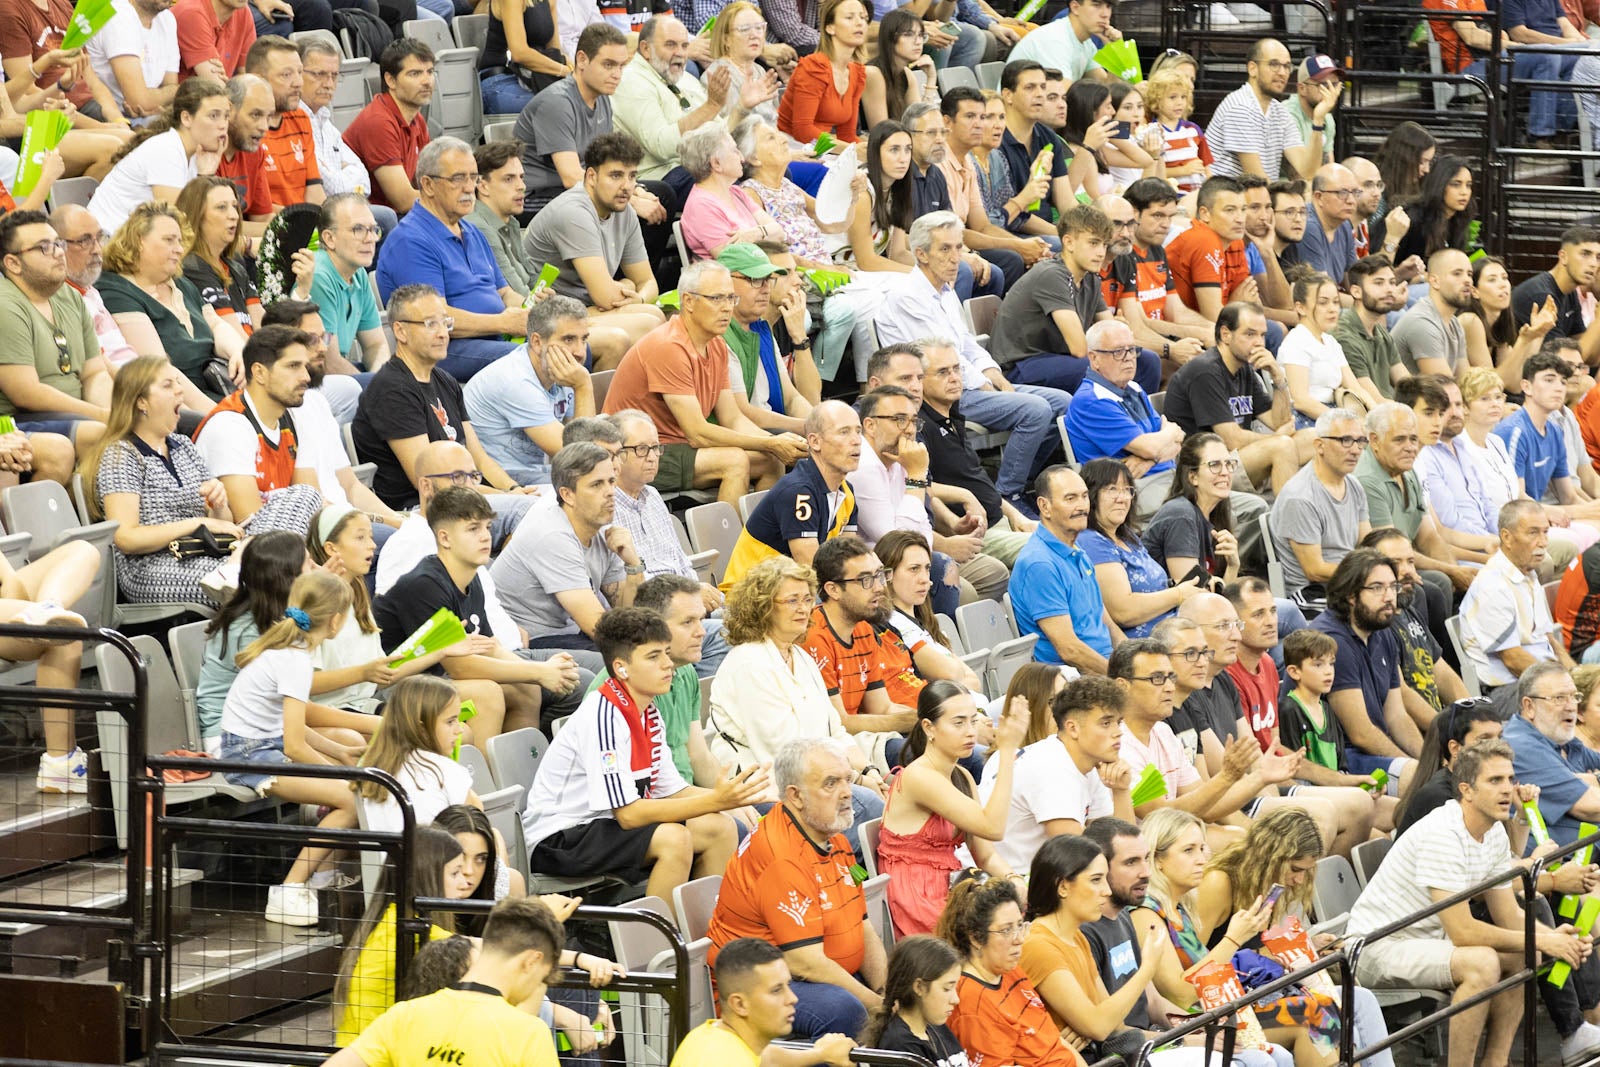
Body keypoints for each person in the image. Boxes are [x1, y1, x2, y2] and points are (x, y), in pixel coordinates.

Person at [1347, 740, 1588, 1067]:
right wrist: (1546, 939)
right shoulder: (1443, 833)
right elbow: (1463, 932)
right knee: (1483, 962)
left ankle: (1496, 1062)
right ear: (1467, 790)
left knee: (1523, 950)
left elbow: (1509, 915)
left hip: (1426, 940)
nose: (1507, 789)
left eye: (1509, 779)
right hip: (1378, 945)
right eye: (1495, 780)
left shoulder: (1494, 833)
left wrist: (1557, 938)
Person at [523, 606, 760, 899]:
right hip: (559, 836)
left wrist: (733, 800)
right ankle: (663, 941)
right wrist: (713, 799)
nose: (667, 664)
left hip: (602, 825)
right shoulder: (604, 717)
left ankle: (712, 929)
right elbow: (629, 815)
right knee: (674, 839)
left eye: (665, 653)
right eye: (653, 656)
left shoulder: (648, 712)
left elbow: (673, 790)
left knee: (719, 827)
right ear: (621, 667)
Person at [876, 211, 1070, 517]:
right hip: (940, 393)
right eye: (945, 249)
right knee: (1036, 409)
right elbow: (941, 360)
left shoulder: (945, 290)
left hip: (972, 383)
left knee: (1063, 402)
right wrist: (986, 385)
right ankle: (1008, 493)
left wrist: (997, 378)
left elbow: (967, 343)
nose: (956, 258)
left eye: (958, 248)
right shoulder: (907, 296)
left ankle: (1023, 478)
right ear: (920, 254)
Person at [706, 736, 885, 1037]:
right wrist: (879, 1006)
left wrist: (888, 991)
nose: (846, 794)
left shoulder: (834, 836)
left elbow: (861, 922)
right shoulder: (781, 857)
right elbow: (806, 963)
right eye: (831, 783)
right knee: (846, 1009)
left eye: (847, 780)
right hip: (759, 989)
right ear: (796, 796)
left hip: (815, 975)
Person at [374, 486, 583, 739]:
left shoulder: (471, 579)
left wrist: (542, 672)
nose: (485, 537)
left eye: (486, 527)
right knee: (486, 692)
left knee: (527, 689)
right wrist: (539, 672)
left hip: (436, 679)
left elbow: (487, 647)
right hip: (391, 687)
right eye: (473, 529)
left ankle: (517, 772)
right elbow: (461, 667)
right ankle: (484, 777)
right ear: (445, 538)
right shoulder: (425, 583)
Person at [706, 557, 889, 838]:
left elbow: (835, 731)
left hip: (818, 777)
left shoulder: (800, 656)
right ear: (764, 606)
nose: (804, 608)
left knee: (884, 800)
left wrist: (870, 770)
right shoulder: (749, 663)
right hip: (767, 788)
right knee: (871, 808)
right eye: (792, 601)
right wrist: (854, 779)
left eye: (806, 599)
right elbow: (784, 752)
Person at [1195, 809, 1392, 1067]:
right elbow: (1194, 964)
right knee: (1325, 1020)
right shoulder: (1219, 883)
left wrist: (1306, 948)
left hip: (1261, 987)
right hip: (1229, 1002)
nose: (1299, 880)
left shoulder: (1269, 883)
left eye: (1305, 871)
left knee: (1361, 1000)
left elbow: (1256, 954)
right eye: (1296, 869)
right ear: (1272, 856)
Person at [219, 570, 359, 925]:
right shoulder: (295, 659)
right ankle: (290, 890)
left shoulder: (292, 649)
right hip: (250, 756)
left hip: (263, 746)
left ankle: (323, 878)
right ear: (337, 621)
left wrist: (337, 753)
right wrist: (338, 774)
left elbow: (287, 727)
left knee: (347, 789)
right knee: (350, 796)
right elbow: (295, 745)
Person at [601, 261, 803, 505]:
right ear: (688, 301)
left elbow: (733, 418)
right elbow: (697, 434)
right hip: (635, 452)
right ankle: (732, 541)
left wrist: (778, 444)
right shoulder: (669, 346)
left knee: (771, 459)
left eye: (731, 298)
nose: (727, 308)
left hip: (676, 446)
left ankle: (758, 537)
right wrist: (769, 441)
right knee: (734, 461)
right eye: (717, 299)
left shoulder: (716, 344)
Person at [351, 284, 537, 530]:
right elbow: (429, 482)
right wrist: (510, 500)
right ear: (401, 331)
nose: (442, 333)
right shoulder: (392, 389)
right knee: (528, 514)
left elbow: (478, 458)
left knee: (546, 500)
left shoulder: (445, 380)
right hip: (425, 510)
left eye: (445, 323)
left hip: (464, 494)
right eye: (430, 324)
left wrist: (512, 489)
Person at [328, 895, 565, 1067]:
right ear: (531, 961)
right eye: (542, 978)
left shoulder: (405, 1015)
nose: (536, 986)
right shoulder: (528, 1033)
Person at [80, 356, 243, 605]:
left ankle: (236, 569)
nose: (180, 389)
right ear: (141, 402)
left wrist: (218, 505)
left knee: (300, 497)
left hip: (208, 554)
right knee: (261, 579)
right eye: (168, 385)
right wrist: (196, 522)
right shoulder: (121, 454)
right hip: (151, 568)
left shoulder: (184, 446)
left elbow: (222, 524)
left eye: (178, 382)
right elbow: (126, 537)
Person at [879, 682, 1025, 936]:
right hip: (916, 896)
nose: (970, 732)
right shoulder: (919, 777)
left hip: (951, 887)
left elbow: (986, 855)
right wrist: (1007, 752)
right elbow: (993, 827)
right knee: (999, 936)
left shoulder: (962, 775)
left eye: (972, 721)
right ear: (929, 728)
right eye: (958, 723)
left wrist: (1013, 879)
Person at [519, 132, 667, 368]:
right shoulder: (574, 212)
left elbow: (649, 283)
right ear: (591, 176)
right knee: (651, 322)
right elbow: (606, 298)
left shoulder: (624, 212)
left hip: (585, 309)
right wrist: (627, 285)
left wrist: (637, 294)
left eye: (632, 177)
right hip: (548, 317)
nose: (626, 186)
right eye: (616, 176)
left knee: (658, 316)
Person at [1020, 834, 1168, 1063]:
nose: (1107, 891)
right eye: (1096, 880)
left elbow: (1111, 1024)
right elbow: (1099, 1026)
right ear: (1062, 887)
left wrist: (1091, 1024)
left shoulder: (1075, 936)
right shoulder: (1039, 946)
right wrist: (1147, 969)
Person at [489, 442, 641, 658]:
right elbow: (599, 629)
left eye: (611, 481)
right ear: (567, 495)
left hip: (569, 636)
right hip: (529, 644)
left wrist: (633, 564)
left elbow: (629, 616)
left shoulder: (602, 531)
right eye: (596, 484)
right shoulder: (553, 536)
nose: (610, 492)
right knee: (631, 659)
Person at [992, 206, 1161, 397]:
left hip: (1059, 360)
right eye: (1093, 243)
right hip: (1021, 366)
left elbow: (1113, 335)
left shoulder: (1091, 278)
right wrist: (1113, 346)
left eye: (1104, 245)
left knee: (1147, 361)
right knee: (1096, 366)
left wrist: (1120, 341)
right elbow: (1079, 349)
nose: (1100, 253)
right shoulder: (1052, 275)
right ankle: (1107, 422)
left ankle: (1136, 420)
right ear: (1069, 242)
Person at [980, 675, 1136, 874]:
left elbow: (1124, 847)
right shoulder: (1051, 767)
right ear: (1073, 728)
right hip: (998, 882)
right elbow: (1079, 861)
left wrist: (1121, 790)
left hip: (1028, 879)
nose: (1118, 732)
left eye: (1118, 722)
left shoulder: (1087, 761)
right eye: (1106, 723)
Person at [98, 200, 240, 404]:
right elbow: (160, 368)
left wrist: (236, 352)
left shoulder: (181, 284)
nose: (179, 249)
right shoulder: (116, 290)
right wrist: (219, 415)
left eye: (180, 241)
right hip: (179, 403)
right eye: (169, 240)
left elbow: (216, 325)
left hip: (218, 386)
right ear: (139, 241)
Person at [1164, 303, 1312, 495]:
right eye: (1250, 334)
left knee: (1315, 438)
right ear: (1225, 334)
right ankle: (1289, 521)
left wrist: (1278, 378)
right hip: (1204, 469)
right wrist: (1275, 438)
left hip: (1235, 459)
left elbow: (1280, 422)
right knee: (1282, 446)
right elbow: (1231, 439)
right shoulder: (1205, 371)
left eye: (1262, 335)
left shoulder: (1244, 368)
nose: (1259, 342)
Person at [939, 872, 1084, 1067]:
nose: (1019, 939)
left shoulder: (1008, 969)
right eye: (1006, 930)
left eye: (1019, 926)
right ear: (975, 938)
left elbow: (1055, 1042)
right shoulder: (972, 1006)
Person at [191, 324, 325, 533]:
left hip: (291, 540)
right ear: (259, 373)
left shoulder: (293, 419)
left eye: (305, 366)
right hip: (247, 552)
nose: (306, 377)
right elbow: (252, 524)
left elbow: (312, 505)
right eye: (293, 366)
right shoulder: (229, 427)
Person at [915, 340, 1035, 566]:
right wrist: (964, 496)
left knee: (1075, 533)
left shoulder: (953, 414)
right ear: (919, 380)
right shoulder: (919, 426)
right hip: (974, 533)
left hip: (1002, 520)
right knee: (1056, 548)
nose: (954, 377)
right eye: (942, 372)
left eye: (956, 369)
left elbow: (976, 478)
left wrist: (1015, 515)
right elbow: (918, 485)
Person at [800, 534, 917, 763]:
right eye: (865, 580)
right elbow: (838, 721)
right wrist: (915, 720)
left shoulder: (864, 628)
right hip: (830, 746)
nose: (878, 588)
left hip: (860, 738)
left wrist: (934, 719)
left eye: (879, 576)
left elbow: (882, 707)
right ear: (833, 590)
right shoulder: (813, 637)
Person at [0, 210, 111, 448]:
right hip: (16, 421)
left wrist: (111, 411)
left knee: (154, 419)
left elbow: (95, 373)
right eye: (44, 247)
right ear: (13, 263)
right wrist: (101, 416)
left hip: (77, 411)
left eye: (58, 243)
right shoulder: (5, 305)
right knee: (101, 433)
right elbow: (27, 394)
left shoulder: (69, 295)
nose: (59, 253)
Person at [1311, 548, 1423, 777]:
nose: (1389, 597)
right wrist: (1418, 771)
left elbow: (1397, 716)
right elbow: (1361, 734)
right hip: (1342, 760)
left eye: (1393, 587)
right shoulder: (1332, 643)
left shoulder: (1383, 632)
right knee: (1417, 780)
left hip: (1374, 750)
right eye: (1377, 588)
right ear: (1351, 595)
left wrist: (1428, 763)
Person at [462, 296, 594, 487]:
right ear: (537, 342)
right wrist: (583, 387)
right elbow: (579, 458)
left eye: (584, 339)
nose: (580, 352)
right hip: (499, 480)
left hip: (535, 472)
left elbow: (582, 439)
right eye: (568, 339)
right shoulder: (515, 380)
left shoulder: (561, 371)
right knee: (591, 484)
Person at [1356, 403, 1476, 613]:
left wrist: (1456, 570)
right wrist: (1451, 571)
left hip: (1406, 561)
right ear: (1374, 440)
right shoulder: (1367, 479)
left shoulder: (1407, 469)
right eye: (1399, 439)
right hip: (1383, 569)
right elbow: (1387, 553)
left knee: (1465, 579)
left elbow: (1428, 537)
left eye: (1413, 438)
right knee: (1438, 583)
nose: (1411, 447)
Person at [670, 938, 856, 1067]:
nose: (793, 998)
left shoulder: (707, 1034)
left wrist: (821, 1053)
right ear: (740, 1005)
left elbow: (768, 1058)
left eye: (788, 986)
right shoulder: (727, 1060)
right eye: (776, 990)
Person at [1063, 318, 1182, 519]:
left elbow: (1178, 441)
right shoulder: (1092, 400)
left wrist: (1148, 459)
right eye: (1118, 352)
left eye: (1132, 350)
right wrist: (1167, 435)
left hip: (1162, 480)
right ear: (1094, 358)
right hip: (1129, 494)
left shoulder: (1133, 387)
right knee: (1215, 505)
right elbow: (1156, 444)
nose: (1129, 358)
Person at [1461, 500, 1574, 702]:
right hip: (1508, 690)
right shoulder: (1492, 585)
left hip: (1540, 679)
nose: (1543, 542)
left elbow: (1550, 642)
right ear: (1507, 537)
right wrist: (1564, 686)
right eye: (1533, 533)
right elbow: (1513, 659)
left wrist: (1575, 674)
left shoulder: (1528, 574)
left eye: (1545, 532)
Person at [1012, 465, 1123, 672]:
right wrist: (1121, 678)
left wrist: (1133, 659)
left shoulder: (1075, 548)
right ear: (1044, 507)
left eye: (1084, 497)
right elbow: (1069, 650)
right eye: (1070, 499)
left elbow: (1103, 618)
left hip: (1104, 668)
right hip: (1075, 680)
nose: (1082, 506)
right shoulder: (1040, 564)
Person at [514, 23, 631, 215]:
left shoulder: (602, 98)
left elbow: (605, 162)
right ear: (582, 60)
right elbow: (571, 178)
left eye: (621, 66)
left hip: (574, 189)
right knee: (621, 208)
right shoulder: (557, 102)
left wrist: (634, 190)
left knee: (661, 193)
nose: (617, 75)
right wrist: (628, 198)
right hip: (533, 197)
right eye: (608, 65)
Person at [1360, 526, 1470, 728]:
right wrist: (1448, 732)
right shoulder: (1375, 625)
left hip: (1438, 725)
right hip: (1416, 733)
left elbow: (1443, 674)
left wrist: (1470, 716)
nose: (1408, 571)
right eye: (1395, 563)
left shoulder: (1408, 610)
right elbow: (1401, 695)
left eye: (1411, 561)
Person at [1080, 459, 1201, 641]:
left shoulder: (1127, 536)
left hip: (1173, 629)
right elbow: (1123, 611)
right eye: (1111, 489)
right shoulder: (1091, 540)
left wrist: (1182, 586)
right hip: (1147, 644)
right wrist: (1179, 594)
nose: (1122, 498)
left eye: (1127, 490)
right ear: (1090, 495)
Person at [1108, 178, 1218, 365]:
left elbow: (1177, 312)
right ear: (1134, 213)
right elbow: (1141, 323)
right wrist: (1194, 336)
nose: (1166, 224)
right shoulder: (1122, 254)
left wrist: (1214, 329)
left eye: (1170, 216)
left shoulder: (1157, 250)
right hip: (1143, 341)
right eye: (1158, 216)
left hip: (1163, 335)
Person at [1269, 408, 1372, 597]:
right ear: (1319, 446)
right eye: (1346, 440)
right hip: (1314, 593)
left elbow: (1368, 543)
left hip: (1351, 582)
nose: (1356, 450)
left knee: (1422, 591)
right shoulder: (1300, 497)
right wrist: (1370, 574)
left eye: (1360, 441)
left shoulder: (1354, 484)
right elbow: (1314, 570)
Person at [1205, 39, 1332, 182]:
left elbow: (1308, 171)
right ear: (1252, 68)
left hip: (1259, 198)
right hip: (1229, 198)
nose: (1282, 73)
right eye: (1274, 64)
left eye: (1287, 66)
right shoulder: (1239, 106)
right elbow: (1257, 179)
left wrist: (1318, 120)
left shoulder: (1280, 112)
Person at [721, 244, 814, 435]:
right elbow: (741, 413)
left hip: (776, 430)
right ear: (725, 283)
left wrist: (818, 422)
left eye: (767, 280)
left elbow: (793, 399)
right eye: (755, 280)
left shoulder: (761, 328)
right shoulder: (720, 336)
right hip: (750, 437)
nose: (765, 288)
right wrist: (810, 428)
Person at [1280, 270, 1379, 428]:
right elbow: (1301, 401)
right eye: (1323, 302)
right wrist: (1344, 423)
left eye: (1335, 302)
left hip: (1335, 413)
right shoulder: (1296, 341)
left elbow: (1355, 387)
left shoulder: (1330, 341)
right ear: (1300, 307)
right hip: (1306, 420)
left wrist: (1377, 416)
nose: (1333, 309)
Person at [297, 39, 381, 216]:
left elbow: (364, 182)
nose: (329, 84)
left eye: (334, 76)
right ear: (297, 73)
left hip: (338, 210)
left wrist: (336, 173)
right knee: (383, 217)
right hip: (313, 214)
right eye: (319, 74)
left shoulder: (326, 124)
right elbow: (331, 187)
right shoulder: (295, 121)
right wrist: (342, 170)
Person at [309, 194, 391, 372]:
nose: (370, 238)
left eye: (373, 229)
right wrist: (375, 390)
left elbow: (376, 345)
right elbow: (328, 362)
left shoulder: (359, 273)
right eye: (358, 229)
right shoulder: (318, 277)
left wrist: (381, 382)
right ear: (330, 238)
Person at [775, 0, 866, 147]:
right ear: (830, 28)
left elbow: (847, 135)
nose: (859, 23)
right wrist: (851, 149)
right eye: (850, 18)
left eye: (863, 17)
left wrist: (870, 150)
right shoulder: (814, 67)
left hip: (821, 149)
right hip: (789, 147)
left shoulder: (857, 72)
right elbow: (803, 131)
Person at [1165, 177, 1256, 323]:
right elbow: (1214, 319)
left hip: (1215, 324)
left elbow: (1251, 303)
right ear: (1205, 214)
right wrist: (1233, 304)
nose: (1240, 219)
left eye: (1243, 209)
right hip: (1179, 329)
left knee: (1273, 329)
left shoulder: (1235, 241)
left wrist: (1235, 305)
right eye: (1230, 210)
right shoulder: (1202, 240)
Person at [1333, 254, 1408, 402]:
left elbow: (1408, 385)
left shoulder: (1380, 333)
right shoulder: (1344, 336)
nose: (1389, 290)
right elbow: (1374, 401)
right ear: (1356, 292)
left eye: (1392, 283)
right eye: (1379, 283)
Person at [88, 0, 179, 121]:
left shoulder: (167, 19)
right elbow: (138, 102)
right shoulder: (117, 13)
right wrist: (175, 92)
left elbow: (172, 86)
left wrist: (170, 96)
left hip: (152, 115)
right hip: (111, 118)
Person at [1393, 249, 1473, 377]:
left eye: (1469, 274)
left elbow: (1466, 383)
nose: (1467, 280)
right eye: (1457, 274)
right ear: (1434, 281)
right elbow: (1444, 389)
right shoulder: (1422, 323)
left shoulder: (1454, 324)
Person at [1296, 163, 1360, 279]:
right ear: (1318, 197)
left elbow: (1354, 279)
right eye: (1342, 193)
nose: (1351, 201)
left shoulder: (1344, 224)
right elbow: (1321, 292)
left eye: (1355, 193)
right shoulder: (1308, 226)